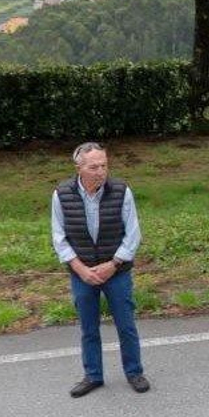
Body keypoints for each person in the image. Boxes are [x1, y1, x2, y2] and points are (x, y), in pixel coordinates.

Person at [50, 142, 148, 398]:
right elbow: (59, 237)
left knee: (126, 324)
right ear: (79, 168)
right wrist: (80, 269)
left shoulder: (122, 191)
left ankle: (134, 371)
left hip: (116, 270)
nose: (101, 171)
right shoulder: (61, 194)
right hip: (81, 272)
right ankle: (93, 375)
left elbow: (133, 234)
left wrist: (113, 264)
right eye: (94, 167)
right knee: (88, 327)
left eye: (104, 165)